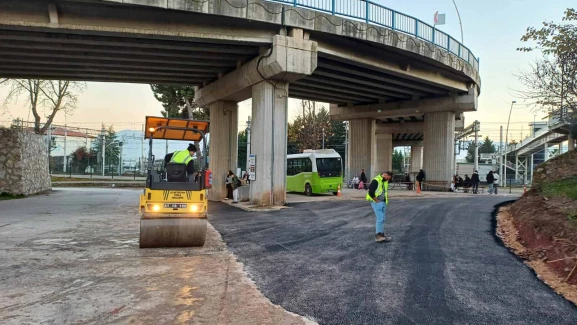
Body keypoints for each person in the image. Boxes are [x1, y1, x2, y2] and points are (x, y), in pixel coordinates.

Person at [366, 171, 393, 242]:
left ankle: (381, 234)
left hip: (383, 202)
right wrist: (376, 201)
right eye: (388, 178)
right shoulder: (376, 180)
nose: (388, 180)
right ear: (385, 175)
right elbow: (371, 192)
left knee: (383, 219)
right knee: (380, 218)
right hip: (377, 202)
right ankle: (378, 235)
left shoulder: (384, 181)